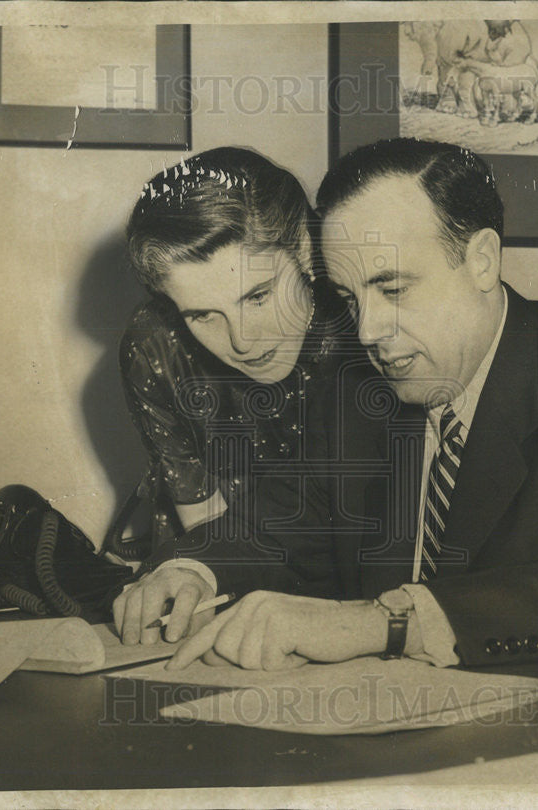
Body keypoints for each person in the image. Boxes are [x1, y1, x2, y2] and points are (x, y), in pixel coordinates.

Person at [166, 138, 538, 671]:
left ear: (481, 260)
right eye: (351, 299)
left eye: (394, 289)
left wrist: (387, 622)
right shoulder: (360, 393)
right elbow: (281, 527)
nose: (369, 330)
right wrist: (193, 572)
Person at [112, 147, 371, 647]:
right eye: (202, 315)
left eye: (257, 296)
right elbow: (213, 546)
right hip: (221, 555)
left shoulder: (370, 322)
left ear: (303, 247)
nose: (243, 341)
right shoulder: (156, 345)